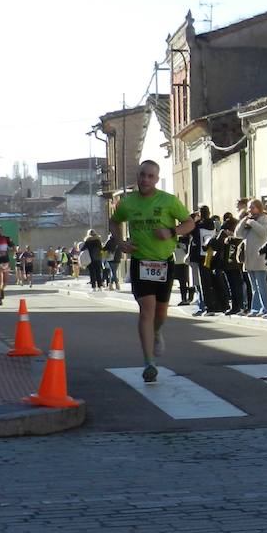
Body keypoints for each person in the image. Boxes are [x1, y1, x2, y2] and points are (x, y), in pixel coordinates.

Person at [110, 160, 195, 383]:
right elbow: (114, 222)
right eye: (142, 175)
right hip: (141, 262)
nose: (145, 180)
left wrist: (172, 231)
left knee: (160, 314)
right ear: (137, 176)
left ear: (156, 179)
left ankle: (157, 332)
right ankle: (149, 362)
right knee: (146, 311)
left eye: (150, 176)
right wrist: (120, 243)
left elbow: (189, 223)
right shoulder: (128, 203)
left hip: (164, 263)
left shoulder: (168, 201)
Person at [236, 199, 267, 318]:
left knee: (261, 285)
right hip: (249, 258)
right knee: (253, 287)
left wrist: (252, 223)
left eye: (252, 207)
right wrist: (244, 221)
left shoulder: (264, 218)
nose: (250, 210)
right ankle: (256, 308)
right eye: (249, 208)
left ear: (259, 207)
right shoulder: (249, 220)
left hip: (259, 258)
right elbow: (238, 234)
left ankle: (266, 308)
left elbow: (264, 232)